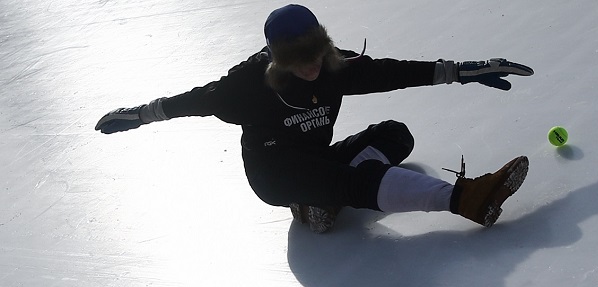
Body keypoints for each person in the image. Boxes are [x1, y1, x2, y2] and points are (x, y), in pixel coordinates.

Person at [96, 4, 534, 233]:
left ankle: (317, 206)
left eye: (316, 56)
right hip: (274, 174)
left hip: (319, 159)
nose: (311, 68)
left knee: (396, 136)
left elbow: (392, 72)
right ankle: (466, 199)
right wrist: (140, 114)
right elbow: (193, 101)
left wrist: (461, 71)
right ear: (275, 59)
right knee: (352, 183)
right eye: (297, 61)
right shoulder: (247, 85)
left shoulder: (334, 66)